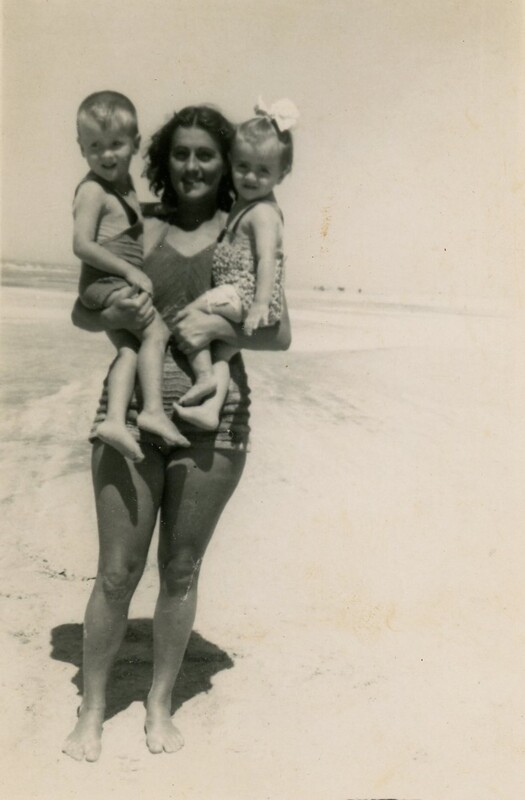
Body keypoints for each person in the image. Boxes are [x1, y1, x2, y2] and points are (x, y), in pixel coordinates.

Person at [62, 104, 291, 762]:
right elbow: (83, 310)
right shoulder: (140, 222)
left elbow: (278, 331)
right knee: (116, 573)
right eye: (181, 153)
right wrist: (115, 306)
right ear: (162, 158)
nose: (192, 165)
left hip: (216, 421)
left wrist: (217, 325)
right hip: (131, 413)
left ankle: (159, 703)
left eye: (206, 154)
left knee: (181, 570)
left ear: (226, 162)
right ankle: (92, 709)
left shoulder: (244, 226)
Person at [74, 90, 189, 461]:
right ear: (81, 147)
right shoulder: (93, 190)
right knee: (158, 332)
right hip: (107, 283)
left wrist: (162, 211)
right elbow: (82, 245)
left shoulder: (122, 188)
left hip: (107, 285)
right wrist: (128, 271)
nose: (106, 155)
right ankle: (152, 411)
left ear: (135, 144)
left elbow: (127, 220)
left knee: (129, 349)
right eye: (95, 146)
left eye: (116, 144)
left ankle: (113, 421)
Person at [173, 98, 299, 432]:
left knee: (189, 316)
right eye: (243, 166)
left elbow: (268, 259)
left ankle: (202, 378)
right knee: (221, 354)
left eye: (263, 170)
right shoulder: (246, 206)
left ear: (282, 173)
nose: (251, 177)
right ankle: (211, 409)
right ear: (231, 162)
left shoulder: (263, 213)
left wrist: (259, 304)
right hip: (241, 295)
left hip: (242, 294)